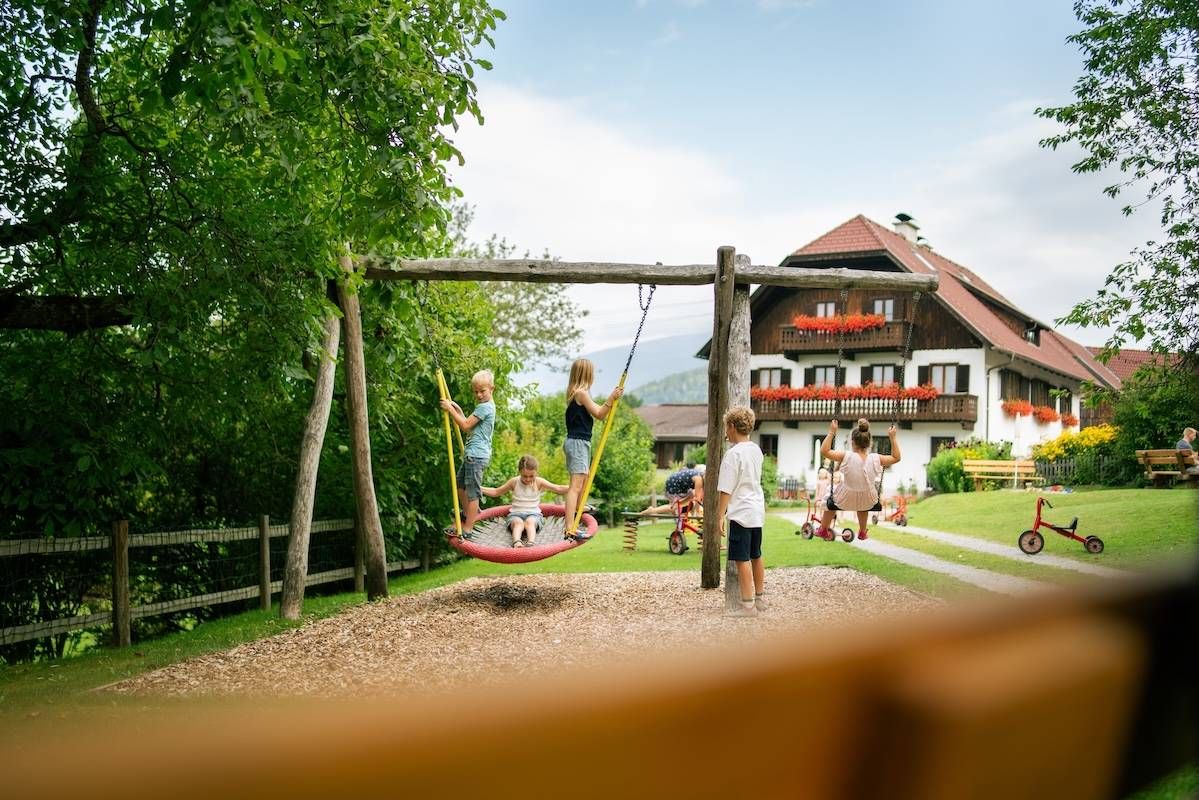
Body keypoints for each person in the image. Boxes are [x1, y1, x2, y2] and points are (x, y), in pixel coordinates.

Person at [562, 358, 623, 540]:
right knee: (575, 486)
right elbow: (599, 414)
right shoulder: (581, 393)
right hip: (578, 443)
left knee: (585, 479)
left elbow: (601, 414)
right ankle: (569, 527)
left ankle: (582, 506)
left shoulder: (576, 393)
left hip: (579, 442)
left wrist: (611, 401)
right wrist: (611, 398)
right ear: (588, 374)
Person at [718, 406, 767, 618]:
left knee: (742, 559)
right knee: (756, 554)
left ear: (731, 426)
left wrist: (720, 515)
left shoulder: (733, 454)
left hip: (741, 513)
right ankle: (759, 597)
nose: (726, 433)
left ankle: (748, 607)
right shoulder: (756, 450)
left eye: (726, 428)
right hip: (756, 510)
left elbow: (726, 490)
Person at [817, 418, 900, 541]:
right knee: (863, 504)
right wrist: (892, 438)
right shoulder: (876, 458)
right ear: (869, 443)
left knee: (830, 500)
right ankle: (862, 531)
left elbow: (824, 451)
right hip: (868, 499)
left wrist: (832, 432)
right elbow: (896, 457)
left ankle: (823, 529)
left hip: (845, 498)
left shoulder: (846, 456)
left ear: (852, 442)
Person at [439, 369, 496, 535]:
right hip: (472, 455)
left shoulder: (485, 408)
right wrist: (458, 410)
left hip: (476, 456)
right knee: (460, 487)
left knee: (472, 492)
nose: (478, 395)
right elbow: (469, 428)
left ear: (492, 388)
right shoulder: (483, 407)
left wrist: (450, 410)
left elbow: (464, 425)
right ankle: (469, 514)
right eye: (476, 391)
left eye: (482, 391)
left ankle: (468, 527)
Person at [481, 455, 569, 547]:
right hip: (515, 514)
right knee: (518, 523)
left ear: (536, 473)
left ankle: (531, 542)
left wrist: (575, 488)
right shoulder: (514, 482)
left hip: (534, 515)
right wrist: (480, 488)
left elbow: (558, 488)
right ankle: (517, 542)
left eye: (531, 476)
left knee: (530, 522)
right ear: (519, 472)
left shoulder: (539, 482)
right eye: (524, 476)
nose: (528, 479)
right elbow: (496, 491)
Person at [641, 462, 705, 516]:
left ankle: (678, 509)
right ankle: (652, 511)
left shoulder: (699, 475)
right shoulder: (699, 479)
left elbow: (699, 496)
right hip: (674, 485)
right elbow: (698, 498)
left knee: (691, 495)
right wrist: (698, 513)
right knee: (673, 507)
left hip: (677, 484)